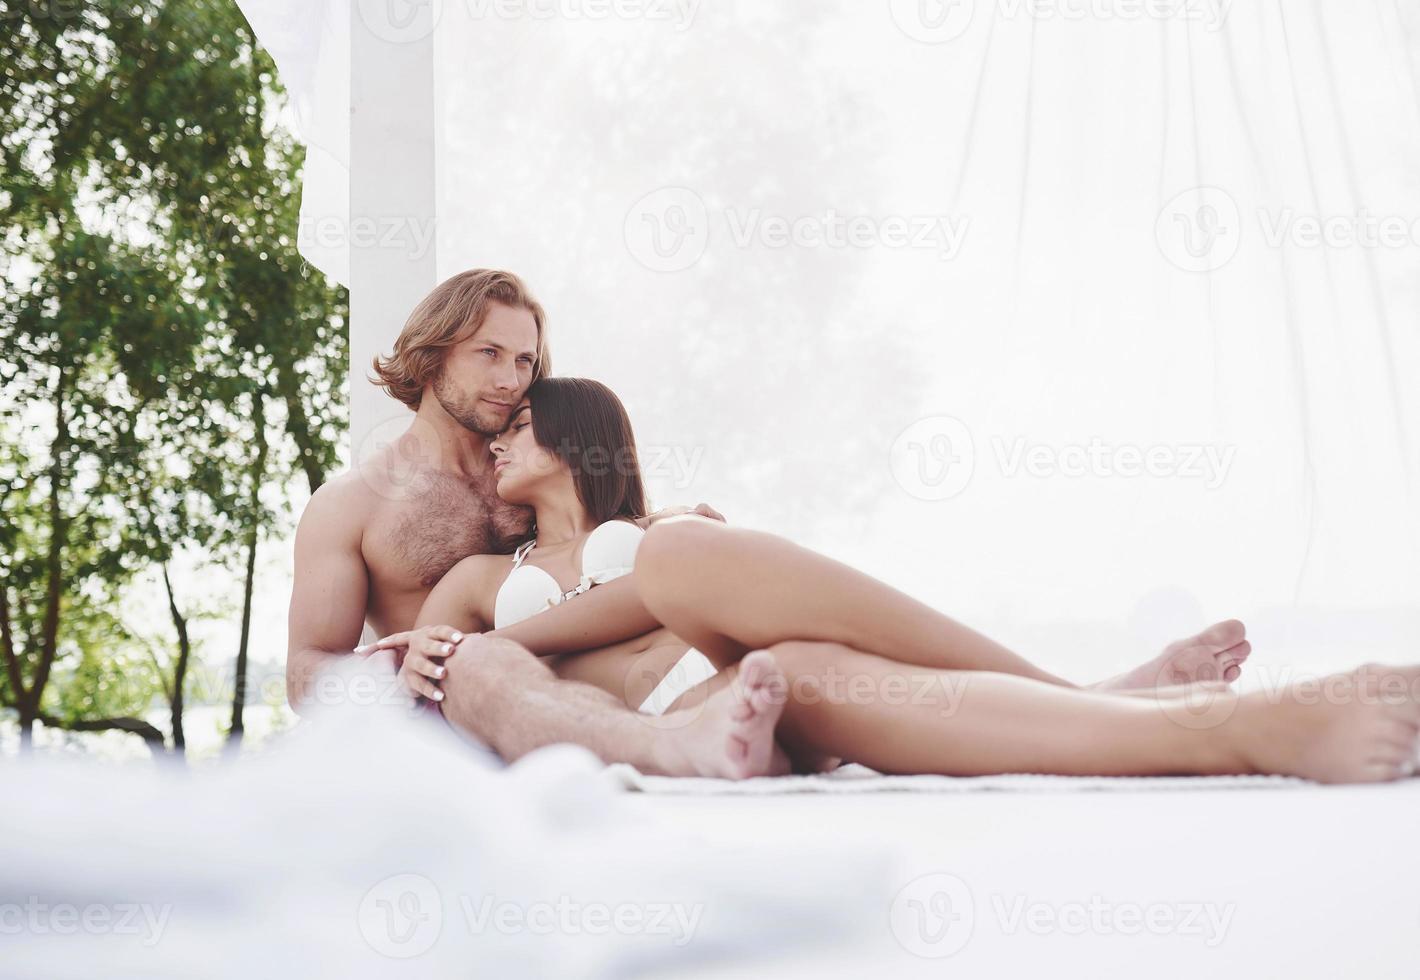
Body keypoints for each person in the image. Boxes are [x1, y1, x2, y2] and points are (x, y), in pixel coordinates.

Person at [371, 377, 1420, 784]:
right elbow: (432, 665)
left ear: (577, 432)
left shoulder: (658, 531)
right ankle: (1179, 714)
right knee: (691, 573)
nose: (500, 439)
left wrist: (671, 558)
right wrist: (421, 652)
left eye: (521, 423)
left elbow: (673, 580)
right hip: (682, 709)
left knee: (740, 607)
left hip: (750, 679)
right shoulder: (477, 576)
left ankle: (1187, 716)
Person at [286, 269, 760, 778]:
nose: (510, 381)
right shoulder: (351, 504)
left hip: (588, 695)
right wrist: (394, 666)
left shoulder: (536, 467)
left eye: (525, 360)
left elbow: (589, 560)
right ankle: (679, 742)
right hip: (456, 723)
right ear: (432, 354)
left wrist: (654, 524)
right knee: (477, 668)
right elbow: (303, 672)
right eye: (489, 353)